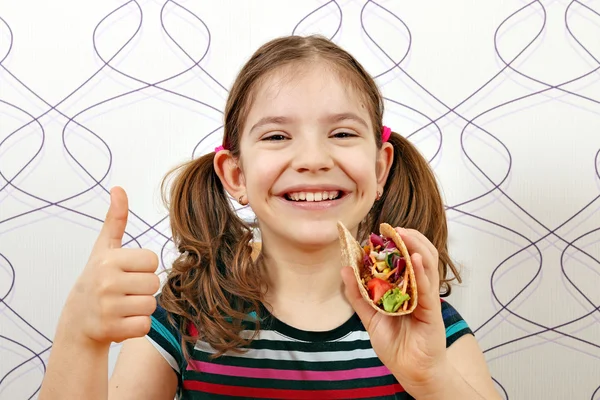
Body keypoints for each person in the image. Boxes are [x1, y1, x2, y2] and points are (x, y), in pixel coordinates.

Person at [39, 35, 501, 399]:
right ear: (235, 174)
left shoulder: (430, 328)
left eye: (341, 132)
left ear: (380, 169)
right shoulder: (186, 317)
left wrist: (432, 378)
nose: (313, 158)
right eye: (278, 136)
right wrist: (79, 336)